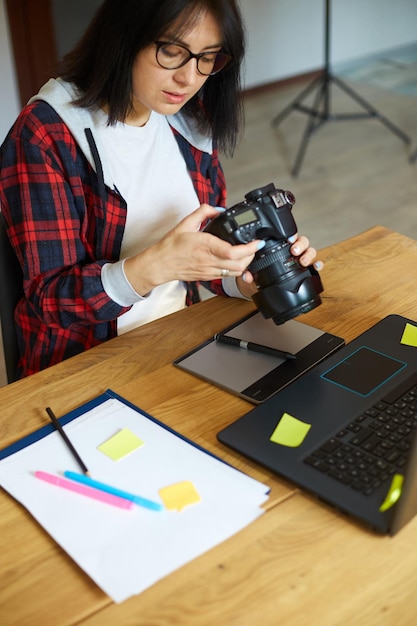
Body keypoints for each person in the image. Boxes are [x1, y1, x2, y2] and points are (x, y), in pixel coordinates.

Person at [0, 0, 321, 379]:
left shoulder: (188, 120)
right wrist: (154, 267)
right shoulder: (46, 135)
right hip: (84, 367)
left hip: (179, 342)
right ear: (124, 36)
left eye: (208, 58)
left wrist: (251, 280)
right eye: (172, 52)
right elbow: (50, 301)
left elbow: (202, 255)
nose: (189, 78)